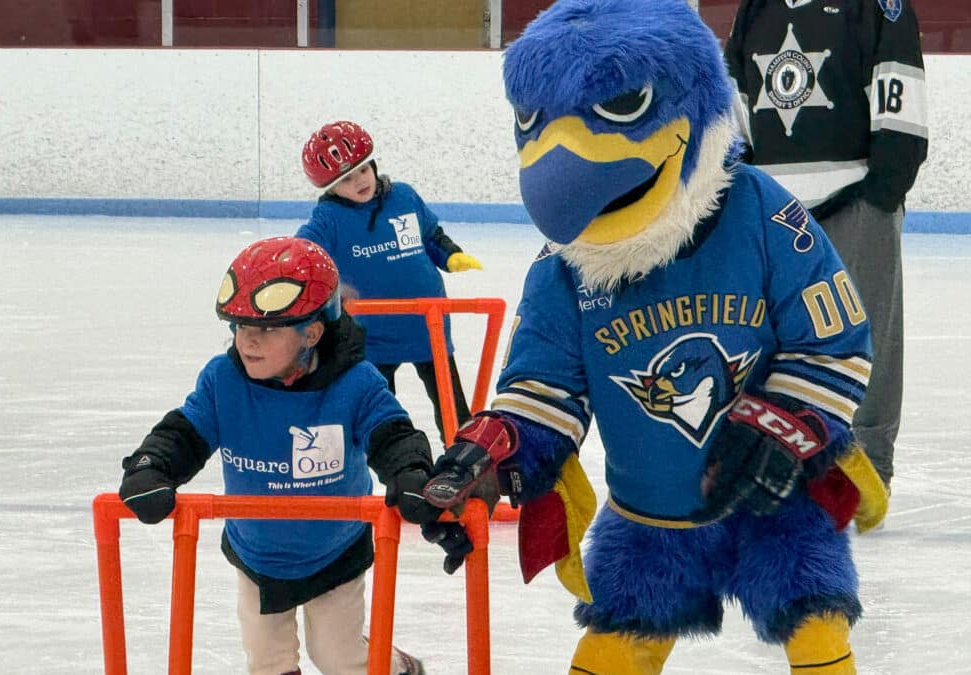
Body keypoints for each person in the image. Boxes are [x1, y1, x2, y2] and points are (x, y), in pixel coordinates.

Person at [420, 0, 888, 672]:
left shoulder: (760, 211)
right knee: (610, 651)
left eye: (622, 107)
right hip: (650, 522)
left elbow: (833, 341)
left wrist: (783, 424)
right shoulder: (563, 265)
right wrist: (491, 456)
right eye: (535, 122)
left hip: (774, 504)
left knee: (817, 634)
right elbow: (544, 389)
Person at [116, 236, 458, 675]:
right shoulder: (223, 381)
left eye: (267, 330)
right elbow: (184, 432)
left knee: (338, 656)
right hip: (257, 555)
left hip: (335, 550)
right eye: (241, 327)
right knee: (268, 661)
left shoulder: (356, 382)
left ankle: (400, 668)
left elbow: (392, 433)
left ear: (311, 333)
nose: (248, 341)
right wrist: (151, 466)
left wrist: (410, 471)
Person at [724, 0, 929, 492]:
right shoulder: (755, 9)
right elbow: (734, 108)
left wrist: (878, 199)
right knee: (770, 341)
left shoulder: (878, 7)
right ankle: (776, 460)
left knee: (867, 338)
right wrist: (745, 193)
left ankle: (865, 469)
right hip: (774, 214)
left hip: (856, 204)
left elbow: (901, 106)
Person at [296, 120, 484, 445]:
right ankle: (398, 456)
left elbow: (431, 235)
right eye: (346, 179)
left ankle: (464, 459)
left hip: (429, 328)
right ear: (330, 189)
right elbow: (304, 255)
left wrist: (451, 256)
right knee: (382, 412)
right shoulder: (329, 219)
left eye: (362, 170)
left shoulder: (404, 197)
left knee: (452, 409)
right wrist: (326, 287)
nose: (359, 181)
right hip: (374, 337)